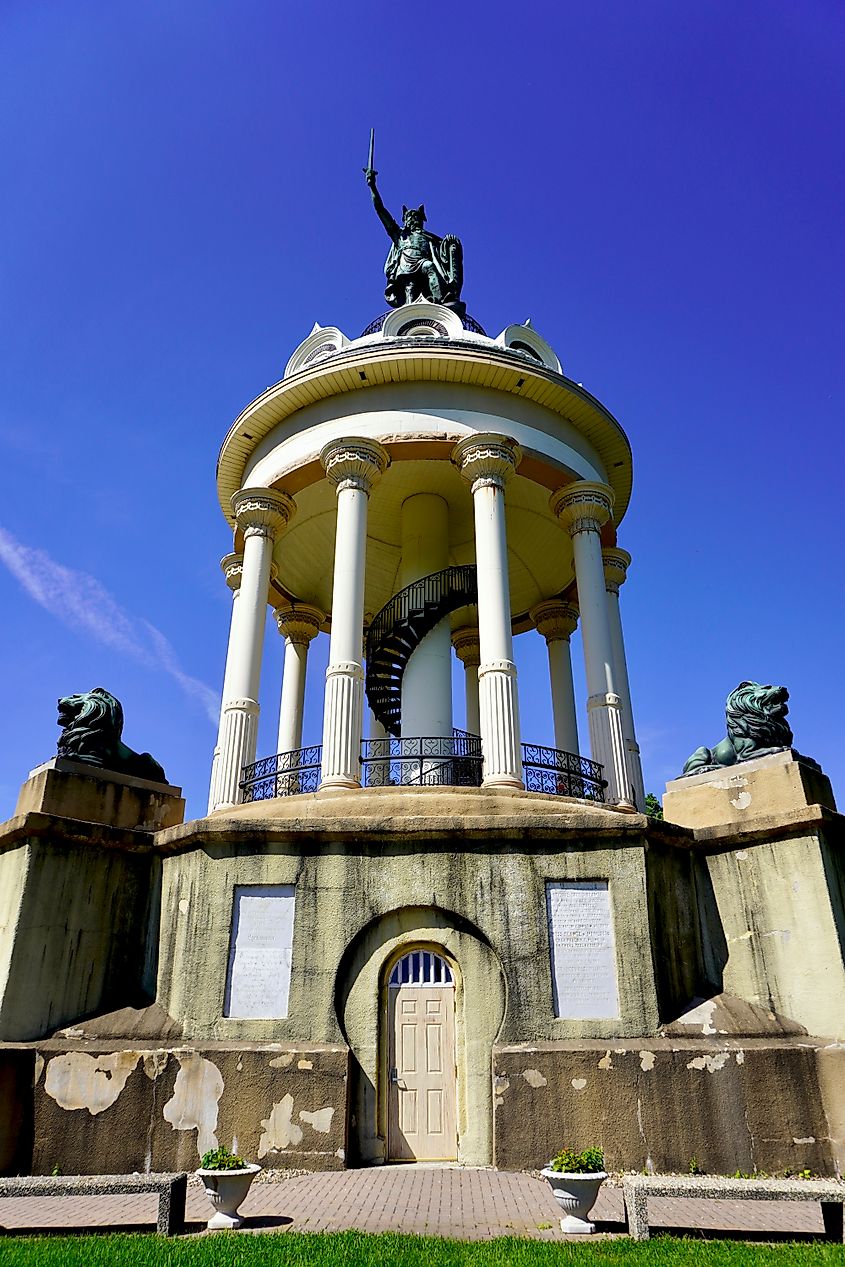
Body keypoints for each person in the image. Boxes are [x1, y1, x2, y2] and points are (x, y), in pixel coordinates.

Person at [365, 168, 463, 308]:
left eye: (416, 217)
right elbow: (380, 210)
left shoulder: (429, 237)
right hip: (406, 263)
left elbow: (443, 253)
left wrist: (449, 242)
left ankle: (440, 303)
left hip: (423, 260)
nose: (413, 220)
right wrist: (372, 186)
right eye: (409, 217)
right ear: (405, 220)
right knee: (409, 288)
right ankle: (408, 315)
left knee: (430, 267)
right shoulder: (399, 235)